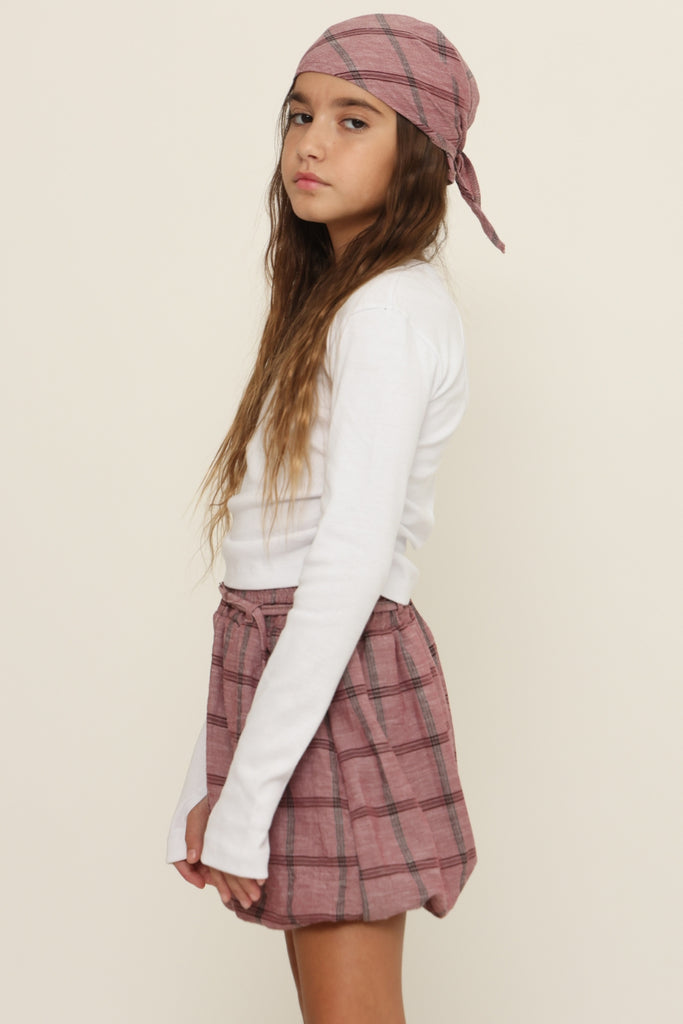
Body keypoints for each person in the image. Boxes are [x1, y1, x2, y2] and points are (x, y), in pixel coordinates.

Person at [166, 13, 504, 1023]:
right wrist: (212, 776)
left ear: (419, 153)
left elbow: (347, 565)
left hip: (338, 684)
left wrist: (242, 799)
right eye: (299, 115)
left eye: (354, 120)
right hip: (298, 678)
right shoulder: (342, 303)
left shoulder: (389, 312)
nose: (311, 143)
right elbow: (266, 563)